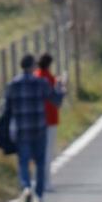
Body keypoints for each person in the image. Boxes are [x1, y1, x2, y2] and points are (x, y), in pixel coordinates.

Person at [1, 53, 57, 202]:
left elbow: (6, 109)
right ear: (33, 67)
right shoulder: (41, 83)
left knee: (23, 162)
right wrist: (61, 87)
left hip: (21, 129)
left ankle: (26, 187)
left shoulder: (13, 85)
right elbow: (55, 100)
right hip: (39, 128)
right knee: (40, 162)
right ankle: (38, 195)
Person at [36, 51, 64, 185]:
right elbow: (57, 99)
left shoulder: (36, 76)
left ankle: (40, 179)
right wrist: (61, 86)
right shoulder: (49, 79)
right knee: (48, 151)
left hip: (37, 119)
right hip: (50, 118)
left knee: (39, 151)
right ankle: (46, 181)